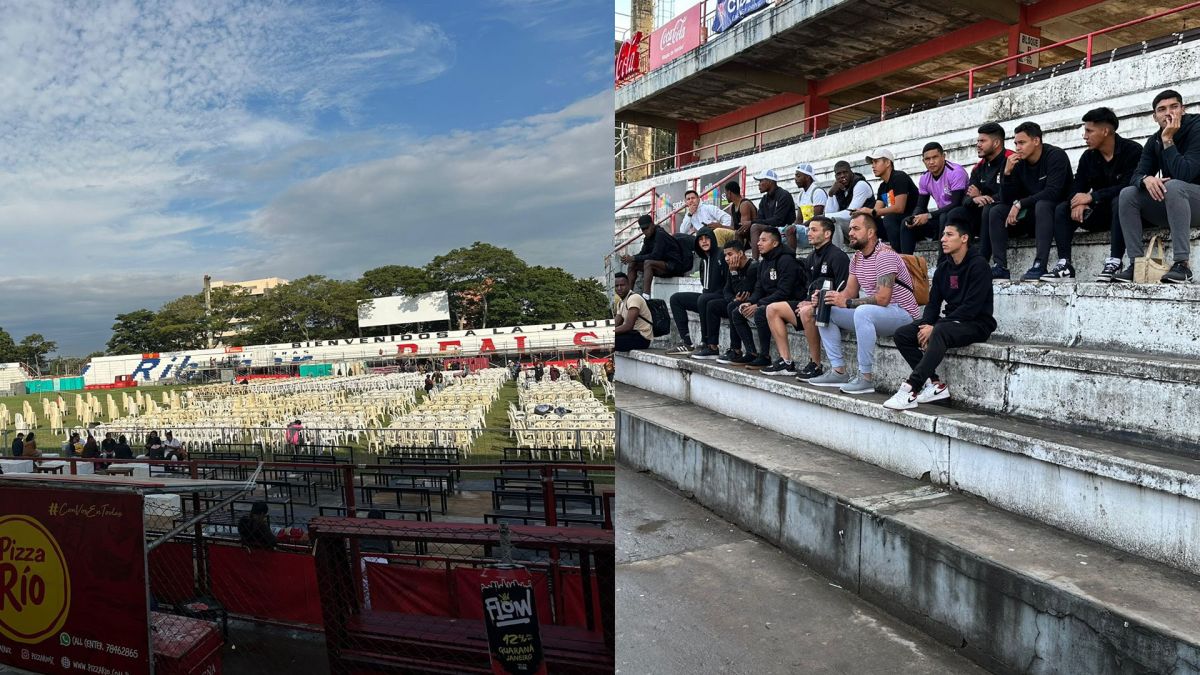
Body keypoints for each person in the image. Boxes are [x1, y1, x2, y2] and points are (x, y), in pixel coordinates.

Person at [885, 217, 996, 409]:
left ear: (964, 238)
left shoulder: (979, 265)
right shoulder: (943, 268)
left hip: (977, 323)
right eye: (943, 234)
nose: (943, 239)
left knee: (939, 331)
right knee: (903, 334)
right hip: (951, 321)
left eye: (949, 234)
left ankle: (910, 388)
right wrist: (926, 324)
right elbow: (933, 304)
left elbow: (972, 308)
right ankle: (934, 384)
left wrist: (935, 327)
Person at [808, 213, 922, 394]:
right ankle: (838, 371)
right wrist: (828, 297)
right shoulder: (857, 258)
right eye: (850, 228)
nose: (850, 232)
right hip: (879, 313)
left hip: (903, 314)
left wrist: (847, 301)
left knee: (863, 312)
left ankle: (865, 377)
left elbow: (883, 299)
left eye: (856, 228)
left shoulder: (884, 255)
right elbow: (849, 293)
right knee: (826, 308)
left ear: (870, 233)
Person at [1045, 107, 1140, 281]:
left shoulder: (1132, 151)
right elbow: (1076, 186)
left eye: (1089, 131)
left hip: (1126, 215)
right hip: (1099, 214)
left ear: (1105, 131)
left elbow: (1129, 185)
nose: (1084, 136)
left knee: (1121, 199)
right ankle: (1065, 264)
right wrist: (1078, 201)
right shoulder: (1088, 157)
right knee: (1062, 209)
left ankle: (1115, 261)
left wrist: (1092, 196)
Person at [1116, 89, 1200, 283]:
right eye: (1162, 109)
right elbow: (1135, 175)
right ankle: (1136, 264)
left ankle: (1182, 265)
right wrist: (1146, 179)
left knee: (1174, 186)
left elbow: (1185, 174)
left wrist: (1168, 140)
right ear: (1155, 117)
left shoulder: (1196, 128)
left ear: (1183, 110)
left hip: (1194, 199)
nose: (1168, 113)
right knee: (1128, 194)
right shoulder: (1154, 140)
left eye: (1174, 107)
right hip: (1177, 205)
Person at [761, 217, 851, 377]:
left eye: (814, 230)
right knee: (772, 308)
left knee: (806, 311)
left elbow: (844, 293)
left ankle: (816, 364)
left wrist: (814, 302)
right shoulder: (811, 257)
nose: (809, 233)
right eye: (809, 229)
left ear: (827, 234)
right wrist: (806, 300)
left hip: (832, 310)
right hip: (811, 306)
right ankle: (786, 362)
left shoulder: (838, 257)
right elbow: (807, 287)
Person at [990, 120, 1073, 280]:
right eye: (1015, 143)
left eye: (1022, 142)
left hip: (1056, 215)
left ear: (1036, 141)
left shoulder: (1055, 156)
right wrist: (1007, 174)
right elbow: (1006, 199)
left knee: (1043, 205)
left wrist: (1020, 203)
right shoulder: (1017, 163)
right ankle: (1000, 266)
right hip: (1031, 216)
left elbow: (1053, 192)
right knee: (996, 211)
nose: (1017, 148)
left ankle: (1040, 265)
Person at [729, 227, 801, 368]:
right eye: (759, 240)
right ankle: (751, 353)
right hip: (769, 302)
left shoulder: (787, 260)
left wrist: (759, 304)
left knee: (761, 311)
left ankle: (765, 356)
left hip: (789, 303)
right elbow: (758, 289)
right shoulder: (763, 263)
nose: (758, 243)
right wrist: (750, 302)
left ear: (774, 243)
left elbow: (784, 292)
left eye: (763, 240)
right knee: (737, 311)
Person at [695, 239, 759, 361]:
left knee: (732, 306)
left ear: (740, 253)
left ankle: (736, 350)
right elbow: (727, 291)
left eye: (730, 254)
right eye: (725, 255)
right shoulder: (732, 268)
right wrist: (733, 298)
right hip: (736, 302)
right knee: (712, 305)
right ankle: (712, 347)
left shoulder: (753, 267)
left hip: (751, 303)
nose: (726, 258)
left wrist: (734, 273)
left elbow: (743, 291)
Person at [950, 122, 1011, 245]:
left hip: (1009, 216)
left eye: (982, 141)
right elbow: (966, 199)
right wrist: (975, 199)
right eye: (978, 141)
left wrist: (983, 196)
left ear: (996, 143)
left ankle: (983, 257)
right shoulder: (978, 168)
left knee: (989, 209)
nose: (978, 145)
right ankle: (948, 262)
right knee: (955, 213)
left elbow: (1011, 193)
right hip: (984, 215)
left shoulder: (1011, 160)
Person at [668, 228, 726, 354]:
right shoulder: (703, 260)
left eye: (707, 238)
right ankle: (687, 342)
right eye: (700, 239)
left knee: (704, 299)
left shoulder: (722, 254)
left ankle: (706, 343)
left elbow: (728, 284)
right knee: (676, 299)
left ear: (713, 239)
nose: (704, 242)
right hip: (705, 299)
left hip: (722, 298)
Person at [911, 142, 969, 258]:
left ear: (943, 156)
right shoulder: (924, 178)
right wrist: (915, 216)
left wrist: (928, 216)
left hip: (961, 216)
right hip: (941, 216)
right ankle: (906, 263)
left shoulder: (955, 172)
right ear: (923, 161)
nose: (931, 162)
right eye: (927, 159)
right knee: (906, 223)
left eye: (935, 157)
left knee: (945, 216)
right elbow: (921, 205)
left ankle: (942, 262)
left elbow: (956, 203)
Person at [856, 148, 919, 253]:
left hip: (913, 223)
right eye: (872, 163)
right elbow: (876, 211)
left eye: (876, 162)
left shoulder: (899, 177)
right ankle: (868, 255)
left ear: (888, 163)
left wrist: (872, 211)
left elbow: (899, 208)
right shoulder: (882, 186)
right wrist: (862, 212)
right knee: (868, 221)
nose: (873, 166)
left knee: (889, 219)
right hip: (896, 225)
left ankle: (899, 258)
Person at [621, 214, 689, 294]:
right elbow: (642, 254)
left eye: (647, 228)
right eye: (643, 229)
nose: (645, 231)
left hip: (674, 266)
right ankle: (629, 294)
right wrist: (630, 258)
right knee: (633, 263)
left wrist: (634, 258)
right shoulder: (647, 238)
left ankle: (646, 296)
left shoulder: (660, 234)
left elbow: (655, 256)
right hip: (662, 267)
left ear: (652, 225)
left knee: (648, 263)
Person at [824, 160, 874, 247]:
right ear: (835, 176)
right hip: (851, 228)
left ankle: (836, 257)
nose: (842, 176)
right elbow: (831, 211)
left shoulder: (860, 185)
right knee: (825, 224)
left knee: (834, 222)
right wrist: (831, 194)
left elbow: (850, 213)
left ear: (851, 172)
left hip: (867, 227)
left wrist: (824, 216)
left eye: (845, 172)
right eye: (839, 174)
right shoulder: (838, 187)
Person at [748, 169, 796, 260]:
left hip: (784, 228)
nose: (759, 184)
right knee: (748, 228)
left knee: (754, 226)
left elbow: (779, 220)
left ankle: (755, 260)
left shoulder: (784, 195)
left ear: (770, 182)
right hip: (771, 228)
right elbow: (760, 219)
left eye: (761, 181)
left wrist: (752, 222)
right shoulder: (764, 199)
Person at [783, 163, 828, 250]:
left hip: (816, 230)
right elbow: (799, 219)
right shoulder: (801, 195)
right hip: (805, 230)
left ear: (807, 177)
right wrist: (793, 226)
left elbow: (817, 218)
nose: (795, 179)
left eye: (798, 176)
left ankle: (791, 259)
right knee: (777, 233)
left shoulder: (817, 192)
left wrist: (799, 227)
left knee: (790, 230)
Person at [613, 272, 654, 352]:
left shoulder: (634, 298)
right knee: (603, 341)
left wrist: (609, 333)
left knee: (608, 342)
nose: (619, 288)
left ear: (628, 285)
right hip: (632, 335)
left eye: (622, 285)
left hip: (642, 338)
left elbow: (628, 326)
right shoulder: (621, 303)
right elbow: (616, 323)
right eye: (616, 286)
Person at [725, 181, 758, 248]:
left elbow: (744, 229)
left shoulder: (744, 204)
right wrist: (718, 227)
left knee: (737, 233)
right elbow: (733, 227)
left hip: (754, 236)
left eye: (725, 194)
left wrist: (720, 226)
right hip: (743, 236)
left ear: (729, 193)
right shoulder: (731, 207)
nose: (725, 196)